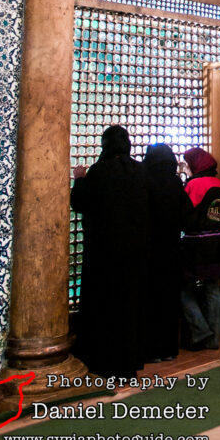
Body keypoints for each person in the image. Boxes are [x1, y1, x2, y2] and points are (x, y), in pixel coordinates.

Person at [71, 124, 150, 377]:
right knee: (130, 306)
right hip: (135, 253)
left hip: (104, 255)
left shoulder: (100, 171)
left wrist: (79, 179)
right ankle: (129, 360)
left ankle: (105, 360)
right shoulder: (140, 170)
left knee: (105, 306)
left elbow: (81, 203)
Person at [142, 143, 197, 362]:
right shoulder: (175, 184)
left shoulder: (145, 182)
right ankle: (168, 349)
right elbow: (188, 217)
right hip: (172, 251)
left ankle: (151, 350)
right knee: (168, 301)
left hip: (149, 252)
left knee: (150, 301)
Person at [181, 146, 220, 350]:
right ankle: (214, 339)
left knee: (183, 288)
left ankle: (201, 331)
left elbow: (185, 215)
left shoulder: (195, 186)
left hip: (197, 246)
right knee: (212, 288)